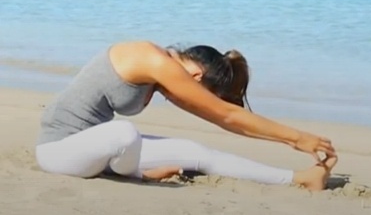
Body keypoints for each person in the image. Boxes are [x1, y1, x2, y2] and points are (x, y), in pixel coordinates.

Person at [35, 41, 337, 191]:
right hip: (58, 149)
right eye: (204, 90)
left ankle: (302, 179)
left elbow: (223, 119)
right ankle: (136, 174)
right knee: (125, 133)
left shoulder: (162, 73)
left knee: (195, 152)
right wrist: (298, 137)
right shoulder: (153, 61)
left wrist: (292, 142)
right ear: (196, 75)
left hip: (95, 150)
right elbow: (226, 115)